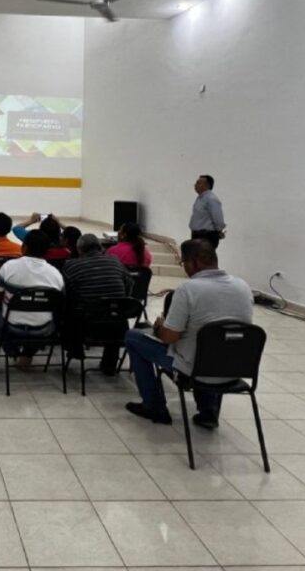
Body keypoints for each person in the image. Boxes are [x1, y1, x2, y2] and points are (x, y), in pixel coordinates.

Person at [124, 239, 252, 427]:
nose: (184, 268)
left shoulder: (188, 289)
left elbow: (170, 337)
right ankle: (208, 413)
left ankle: (154, 407)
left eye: (183, 262)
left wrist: (159, 326)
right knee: (212, 346)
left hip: (194, 370)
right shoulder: (243, 286)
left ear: (194, 262)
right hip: (234, 369)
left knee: (133, 337)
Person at [0, 230, 65, 366]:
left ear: (24, 247)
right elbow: (60, 303)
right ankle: (28, 353)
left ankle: (12, 351)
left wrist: (1, 306)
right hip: (43, 328)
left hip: (11, 325)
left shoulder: (9, 267)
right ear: (47, 251)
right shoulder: (56, 274)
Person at [62, 234, 132, 375]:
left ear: (79, 250)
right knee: (114, 311)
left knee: (69, 310)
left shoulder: (71, 265)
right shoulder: (115, 261)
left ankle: (75, 350)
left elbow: (67, 294)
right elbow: (129, 284)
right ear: (100, 248)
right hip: (118, 327)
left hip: (87, 326)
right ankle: (109, 364)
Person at [189, 175, 225, 249]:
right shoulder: (200, 198)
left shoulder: (211, 199)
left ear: (207, 185)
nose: (195, 185)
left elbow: (218, 218)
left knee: (203, 255)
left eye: (198, 183)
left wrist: (219, 231)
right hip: (197, 235)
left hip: (206, 236)